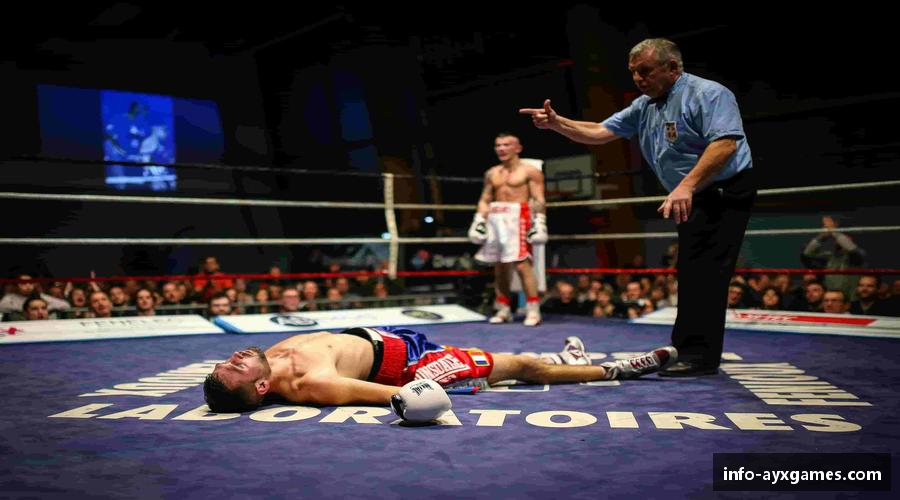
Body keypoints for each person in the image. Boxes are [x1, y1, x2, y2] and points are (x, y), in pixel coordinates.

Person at [521, 38, 755, 376]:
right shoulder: (644, 105)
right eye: (633, 72)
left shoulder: (709, 94)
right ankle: (689, 348)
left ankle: (699, 356)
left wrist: (686, 186)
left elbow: (725, 144)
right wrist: (558, 123)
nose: (638, 79)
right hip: (691, 193)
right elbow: (599, 131)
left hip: (722, 189)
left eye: (645, 71)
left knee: (706, 272)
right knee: (691, 271)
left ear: (672, 67)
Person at [204, 326, 677, 421]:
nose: (235, 356)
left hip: (394, 336)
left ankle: (570, 363)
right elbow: (398, 393)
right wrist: (443, 386)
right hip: (407, 364)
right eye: (236, 367)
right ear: (261, 387)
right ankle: (614, 370)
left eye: (227, 361)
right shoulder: (314, 384)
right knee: (518, 366)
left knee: (490, 358)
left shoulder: (263, 357)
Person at [468, 133, 547, 327]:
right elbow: (485, 199)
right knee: (500, 267)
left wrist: (540, 221)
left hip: (518, 217)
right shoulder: (492, 173)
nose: (501, 149)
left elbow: (538, 198)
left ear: (518, 148)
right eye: (498, 145)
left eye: (506, 145)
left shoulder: (530, 171)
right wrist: (479, 220)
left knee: (522, 264)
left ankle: (533, 309)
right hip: (496, 217)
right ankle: (503, 309)